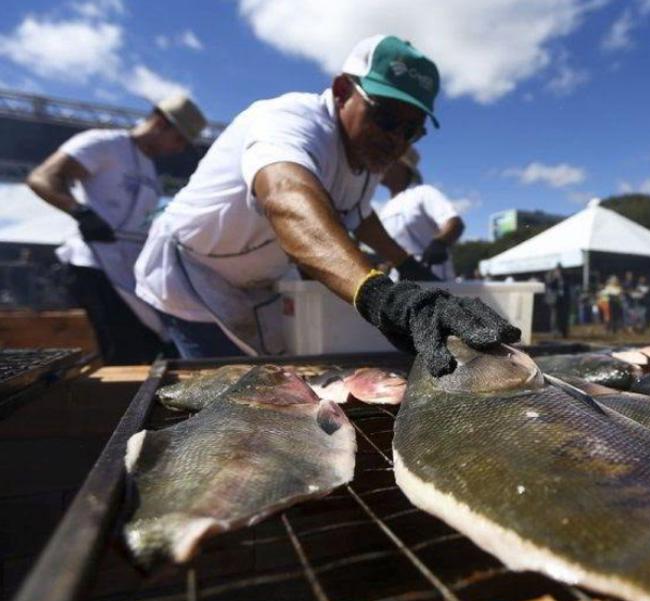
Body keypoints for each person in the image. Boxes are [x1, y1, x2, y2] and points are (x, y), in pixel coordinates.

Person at [134, 35, 517, 374]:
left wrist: (409, 266)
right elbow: (286, 195)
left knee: (275, 383)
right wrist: (383, 296)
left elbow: (360, 217)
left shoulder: (366, 162)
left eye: (411, 130)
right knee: (223, 391)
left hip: (256, 282)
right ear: (341, 91)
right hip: (191, 272)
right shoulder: (289, 120)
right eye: (385, 118)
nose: (396, 139)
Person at [27, 95, 206, 364]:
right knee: (123, 352)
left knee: (150, 348)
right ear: (160, 123)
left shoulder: (148, 168)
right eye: (178, 139)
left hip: (126, 270)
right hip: (94, 265)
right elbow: (42, 178)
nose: (178, 149)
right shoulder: (104, 143)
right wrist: (81, 212)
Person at [377, 147, 464, 280]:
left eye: (388, 160)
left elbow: (454, 222)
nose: (381, 164)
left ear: (402, 166)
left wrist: (440, 243)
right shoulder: (385, 209)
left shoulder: (423, 193)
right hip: (400, 284)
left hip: (435, 279)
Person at [544, 264, 570, 338]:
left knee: (564, 316)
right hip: (555, 300)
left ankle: (564, 332)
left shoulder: (565, 277)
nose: (559, 271)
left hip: (564, 299)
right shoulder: (551, 276)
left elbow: (567, 287)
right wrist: (556, 278)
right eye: (558, 270)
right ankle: (554, 332)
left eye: (560, 270)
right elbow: (549, 286)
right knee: (555, 316)